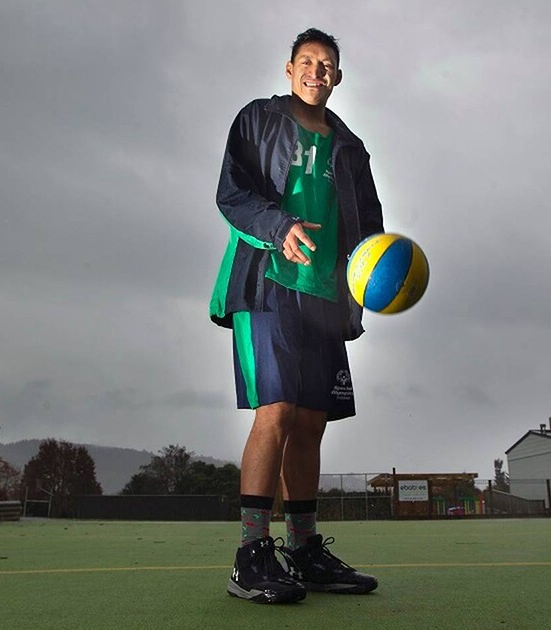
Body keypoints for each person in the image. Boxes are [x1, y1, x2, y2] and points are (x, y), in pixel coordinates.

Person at [209, 28, 384, 604]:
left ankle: (304, 551)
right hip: (268, 287)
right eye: (307, 61)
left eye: (327, 64)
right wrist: (279, 227)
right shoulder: (258, 119)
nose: (317, 71)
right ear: (289, 70)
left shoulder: (351, 148)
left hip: (326, 299)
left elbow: (370, 231)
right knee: (276, 413)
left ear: (338, 76)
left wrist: (377, 278)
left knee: (311, 425)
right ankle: (250, 555)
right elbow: (231, 193)